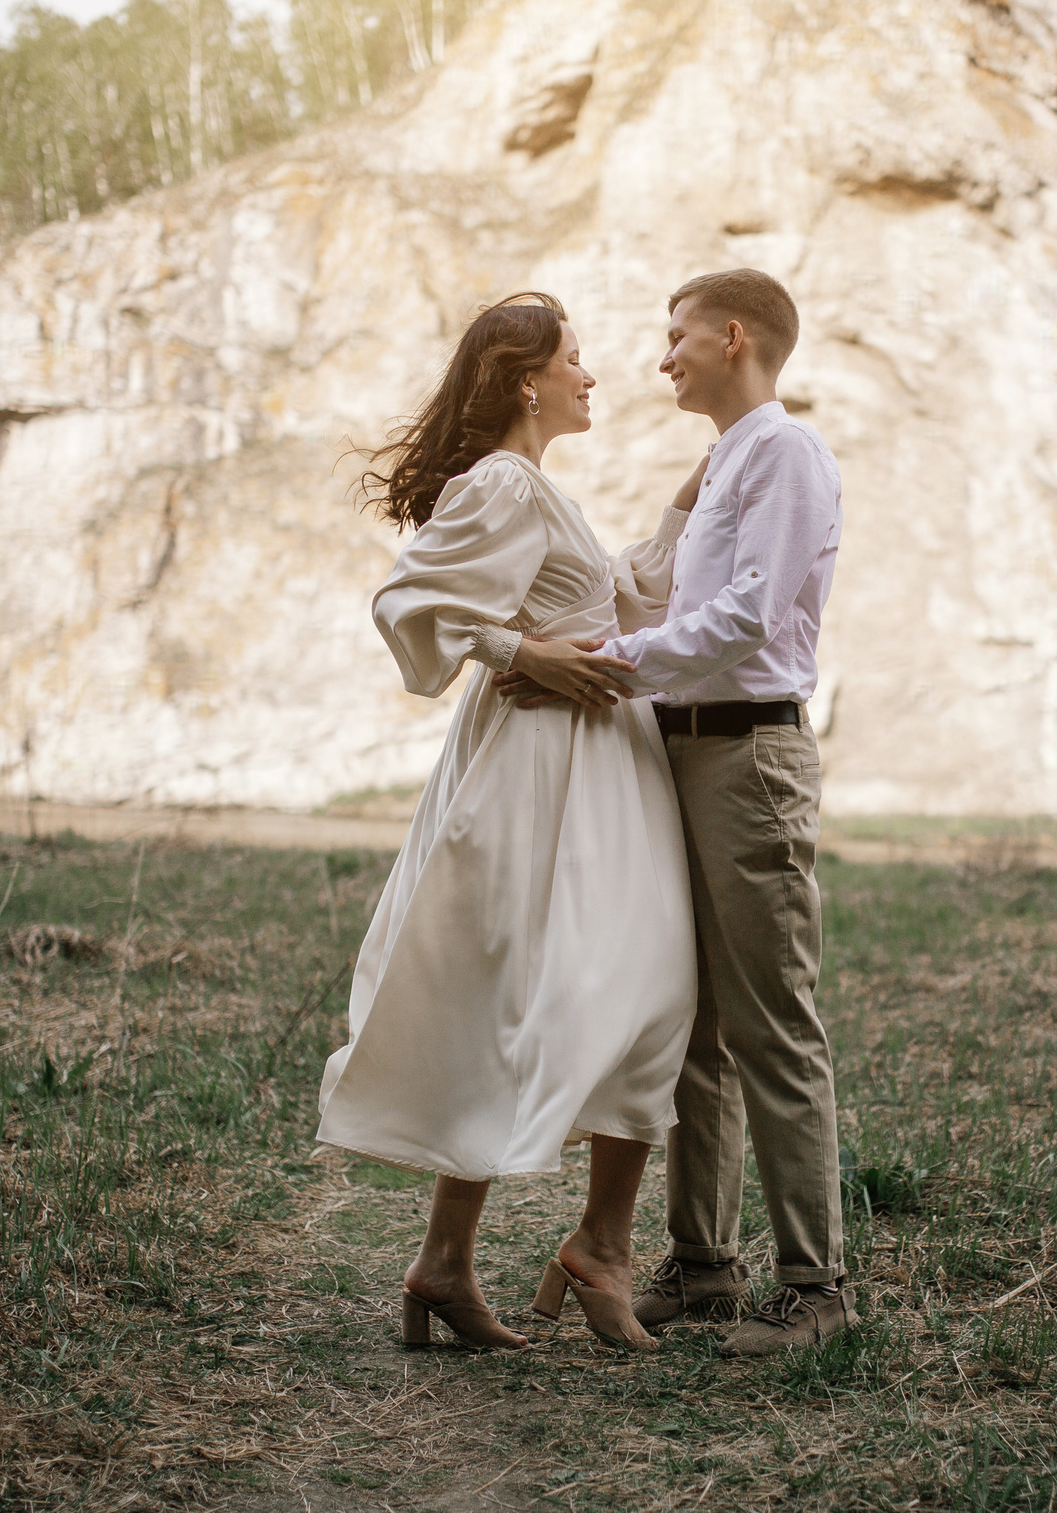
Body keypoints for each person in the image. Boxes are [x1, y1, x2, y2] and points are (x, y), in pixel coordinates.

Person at [319, 292, 705, 1353]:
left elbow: (613, 606)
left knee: (630, 990)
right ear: (524, 379)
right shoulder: (500, 480)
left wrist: (687, 502)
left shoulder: (537, 489)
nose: (594, 375)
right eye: (576, 359)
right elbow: (409, 603)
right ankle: (527, 1255)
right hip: (544, 766)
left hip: (601, 767)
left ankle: (500, 1258)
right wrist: (519, 654)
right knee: (565, 989)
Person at [500, 269, 851, 1357]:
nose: (661, 358)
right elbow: (668, 598)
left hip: (749, 757)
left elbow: (745, 619)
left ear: (732, 336)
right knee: (694, 1028)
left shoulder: (784, 453)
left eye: (676, 336)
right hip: (685, 754)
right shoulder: (723, 467)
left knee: (771, 1025)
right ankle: (704, 1269)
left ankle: (818, 1293)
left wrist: (605, 662)